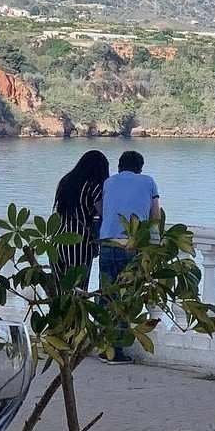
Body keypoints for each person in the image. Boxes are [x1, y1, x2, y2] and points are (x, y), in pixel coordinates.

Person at [98, 150, 161, 364]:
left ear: (119, 166)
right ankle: (117, 351)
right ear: (140, 167)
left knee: (107, 295)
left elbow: (101, 208)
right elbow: (155, 215)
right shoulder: (149, 182)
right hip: (131, 245)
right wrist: (154, 244)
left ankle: (103, 346)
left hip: (107, 243)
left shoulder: (108, 182)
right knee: (126, 299)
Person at [52, 150, 109, 285]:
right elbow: (103, 212)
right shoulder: (94, 186)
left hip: (58, 239)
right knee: (78, 291)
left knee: (59, 293)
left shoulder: (65, 181)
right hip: (79, 242)